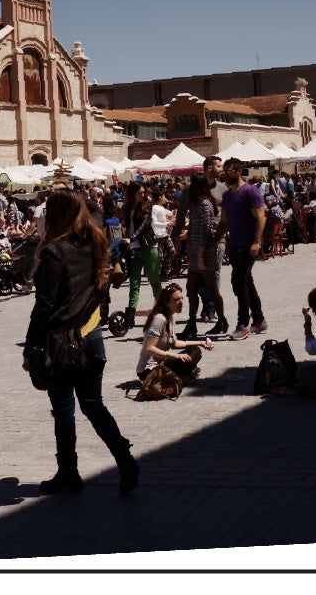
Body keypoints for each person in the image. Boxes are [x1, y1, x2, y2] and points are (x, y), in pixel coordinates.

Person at [23, 190, 139, 496]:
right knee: (93, 405)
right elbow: (102, 289)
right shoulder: (95, 244)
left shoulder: (53, 252)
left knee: (63, 410)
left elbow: (45, 306)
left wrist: (31, 346)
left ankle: (68, 473)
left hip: (61, 341)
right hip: (92, 336)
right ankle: (124, 460)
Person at [217, 158, 267, 340]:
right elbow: (224, 221)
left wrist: (256, 241)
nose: (224, 173)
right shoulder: (227, 196)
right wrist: (215, 241)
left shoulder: (250, 192)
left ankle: (242, 324)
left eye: (228, 170)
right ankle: (259, 320)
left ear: (238, 171)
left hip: (248, 245)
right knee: (246, 282)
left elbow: (261, 217)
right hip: (235, 244)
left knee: (238, 282)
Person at [137, 284, 213, 381]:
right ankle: (184, 376)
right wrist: (176, 356)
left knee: (195, 350)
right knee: (184, 360)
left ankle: (183, 375)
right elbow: (149, 349)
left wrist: (201, 343)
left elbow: (174, 343)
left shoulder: (171, 316)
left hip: (162, 364)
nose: (181, 302)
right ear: (166, 302)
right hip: (149, 371)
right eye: (176, 300)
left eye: (182, 298)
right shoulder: (160, 319)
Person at [182, 174, 226, 339]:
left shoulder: (205, 205)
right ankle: (192, 323)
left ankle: (222, 320)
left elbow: (205, 231)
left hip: (204, 254)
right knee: (191, 290)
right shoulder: (195, 204)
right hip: (195, 253)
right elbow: (194, 228)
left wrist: (199, 256)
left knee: (212, 290)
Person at [120, 181, 162, 327]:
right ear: (132, 194)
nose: (143, 195)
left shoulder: (147, 206)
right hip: (135, 249)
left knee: (154, 281)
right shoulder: (127, 208)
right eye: (140, 192)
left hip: (149, 247)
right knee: (134, 282)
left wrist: (131, 238)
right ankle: (130, 315)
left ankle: (163, 311)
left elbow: (145, 225)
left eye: (144, 192)